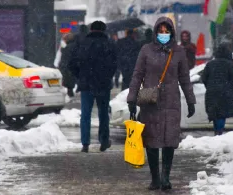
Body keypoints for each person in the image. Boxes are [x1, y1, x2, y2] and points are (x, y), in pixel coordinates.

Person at [127, 17, 196, 191]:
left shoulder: (178, 51)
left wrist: (190, 100)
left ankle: (166, 177)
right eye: (161, 31)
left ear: (171, 33)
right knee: (151, 141)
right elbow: (137, 75)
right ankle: (155, 178)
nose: (163, 34)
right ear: (156, 32)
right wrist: (131, 98)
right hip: (151, 102)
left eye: (167, 31)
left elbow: (185, 79)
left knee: (169, 140)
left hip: (172, 102)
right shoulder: (146, 50)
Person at [72, 21, 117, 153]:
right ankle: (104, 141)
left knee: (85, 114)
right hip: (103, 84)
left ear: (91, 30)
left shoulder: (82, 44)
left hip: (86, 84)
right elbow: (114, 64)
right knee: (103, 113)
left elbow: (72, 63)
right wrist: (108, 75)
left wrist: (80, 76)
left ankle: (85, 143)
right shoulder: (109, 44)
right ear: (104, 30)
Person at [201, 44, 233, 136]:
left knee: (214, 113)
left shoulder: (210, 64)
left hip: (211, 92)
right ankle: (219, 132)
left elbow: (203, 78)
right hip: (225, 92)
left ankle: (216, 131)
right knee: (222, 113)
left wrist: (210, 86)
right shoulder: (229, 64)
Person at [58, 33, 76, 101]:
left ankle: (70, 95)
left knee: (68, 81)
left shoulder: (68, 47)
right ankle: (70, 94)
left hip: (67, 67)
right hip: (69, 67)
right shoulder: (71, 46)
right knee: (69, 83)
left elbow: (65, 57)